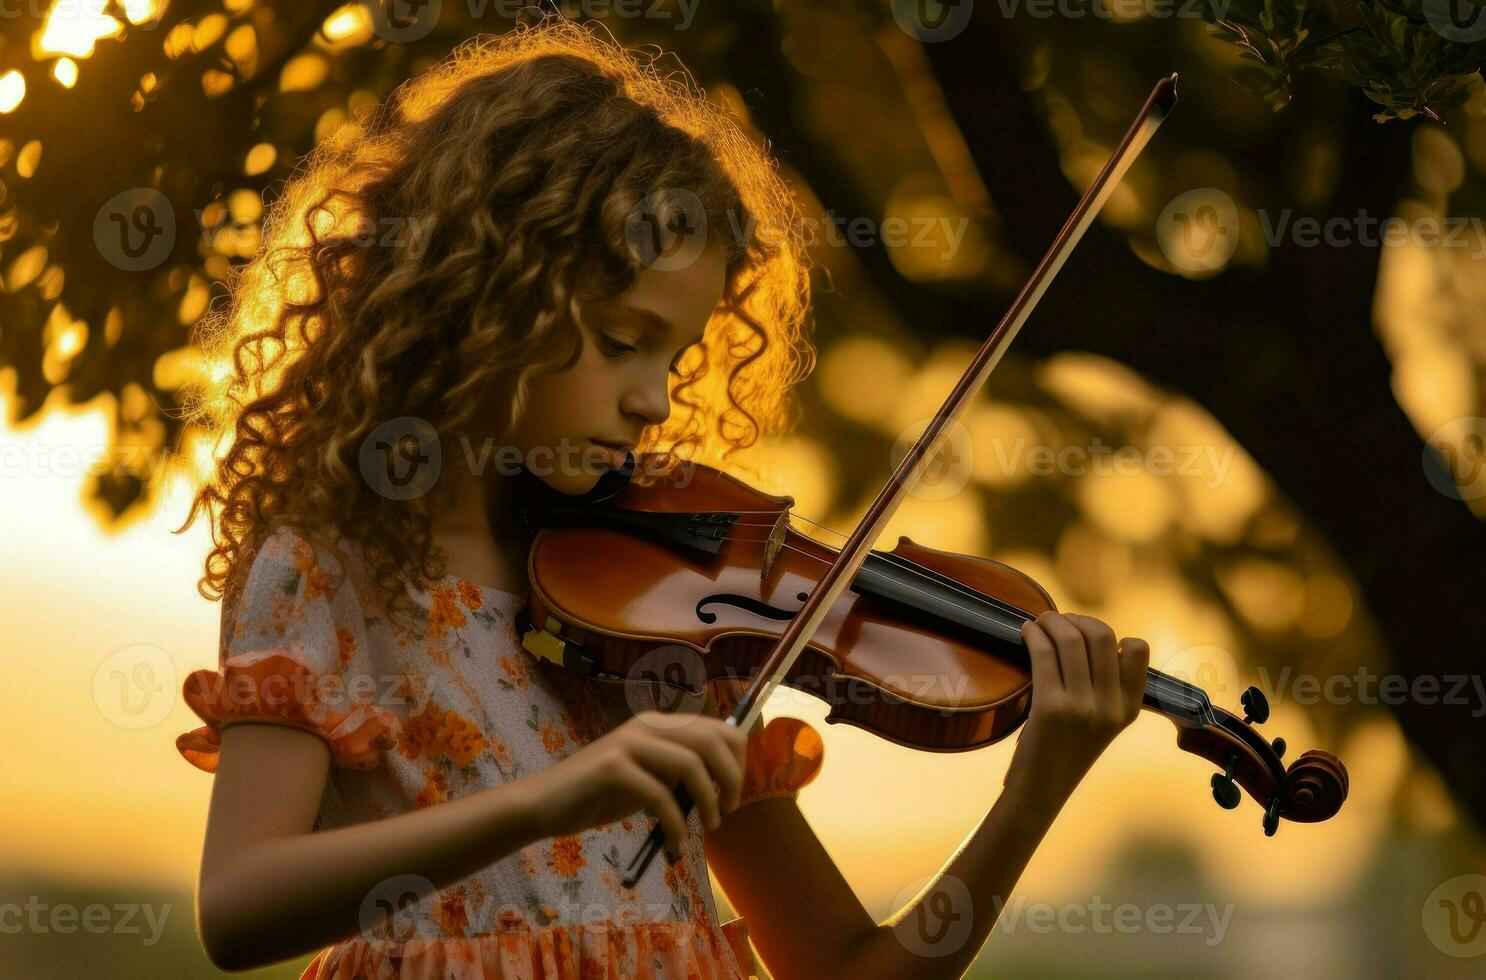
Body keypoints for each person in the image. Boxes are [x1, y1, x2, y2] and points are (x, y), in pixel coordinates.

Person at [173, 17, 1150, 979]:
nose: (654, 399)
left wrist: (1036, 788)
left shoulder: (648, 614)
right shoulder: (328, 566)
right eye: (620, 338)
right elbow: (239, 903)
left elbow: (849, 969)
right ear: (489, 290)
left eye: (674, 355)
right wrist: (555, 799)